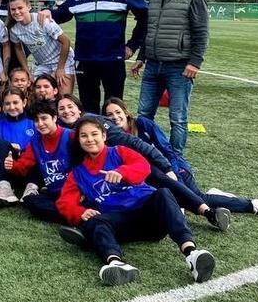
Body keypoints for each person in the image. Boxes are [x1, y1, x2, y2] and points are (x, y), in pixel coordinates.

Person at [56, 115, 216, 286]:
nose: (90, 139)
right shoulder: (78, 173)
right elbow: (64, 202)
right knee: (95, 221)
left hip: (150, 216)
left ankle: (191, 254)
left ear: (104, 136)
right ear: (79, 140)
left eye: (94, 134)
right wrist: (80, 212)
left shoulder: (118, 151)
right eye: (84, 136)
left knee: (163, 193)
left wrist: (122, 173)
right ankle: (116, 264)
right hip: (122, 223)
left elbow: (143, 166)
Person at [103, 97, 258, 219]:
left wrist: (174, 171)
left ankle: (253, 205)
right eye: (109, 115)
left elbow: (168, 149)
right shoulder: (113, 138)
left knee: (198, 200)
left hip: (174, 168)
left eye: (117, 112)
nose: (115, 117)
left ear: (126, 112)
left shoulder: (143, 123)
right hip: (157, 180)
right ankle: (215, 195)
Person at [38, 0, 148, 113]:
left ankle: (113, 138)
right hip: (85, 59)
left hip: (113, 58)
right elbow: (62, 14)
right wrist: (49, 12)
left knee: (114, 106)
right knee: (89, 107)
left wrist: (132, 45)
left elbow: (145, 16)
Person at [131, 0, 209, 157]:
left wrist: (195, 62)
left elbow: (201, 32)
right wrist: (142, 57)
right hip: (153, 65)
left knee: (178, 118)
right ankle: (144, 154)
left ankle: (176, 159)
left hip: (179, 67)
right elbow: (151, 31)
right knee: (144, 114)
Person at [8, 0, 75, 95]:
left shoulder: (42, 20)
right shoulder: (14, 29)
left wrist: (60, 68)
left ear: (29, 7)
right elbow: (18, 49)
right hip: (42, 63)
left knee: (63, 97)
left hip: (62, 60)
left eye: (20, 8)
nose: (17, 12)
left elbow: (66, 41)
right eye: (13, 9)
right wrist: (27, 72)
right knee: (33, 93)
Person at [0, 87, 36, 204]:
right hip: (8, 165)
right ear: (3, 106)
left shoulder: (33, 123)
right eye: (7, 103)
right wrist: (9, 145)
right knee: (0, 144)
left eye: (15, 102)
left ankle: (31, 188)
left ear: (24, 102)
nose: (12, 107)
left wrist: (22, 151)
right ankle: (5, 187)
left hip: (28, 166)